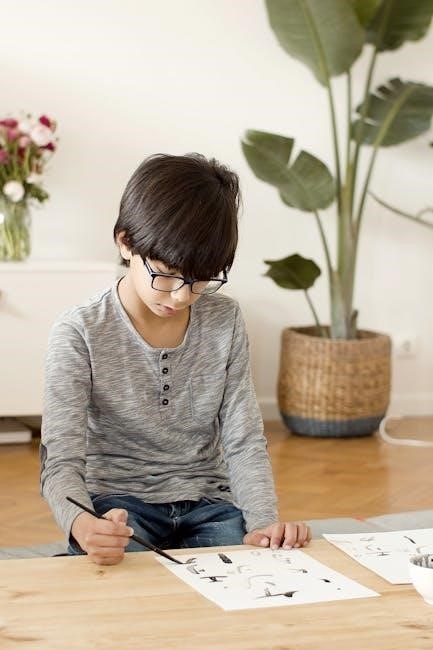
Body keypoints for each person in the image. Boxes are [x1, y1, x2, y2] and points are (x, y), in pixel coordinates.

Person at [40, 153, 311, 565]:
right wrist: (83, 525)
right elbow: (60, 457)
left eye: (201, 279)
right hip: (119, 505)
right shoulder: (79, 331)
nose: (182, 296)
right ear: (125, 242)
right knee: (119, 576)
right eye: (166, 273)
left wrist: (262, 524)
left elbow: (243, 438)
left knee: (253, 567)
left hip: (208, 504)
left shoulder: (224, 320)